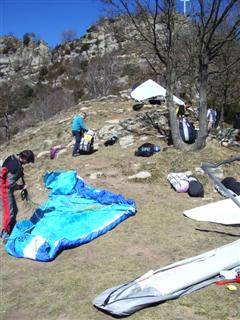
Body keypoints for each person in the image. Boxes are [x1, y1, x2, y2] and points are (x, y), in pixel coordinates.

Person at [0, 150, 35, 242]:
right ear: (23, 158)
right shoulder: (14, 166)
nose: (27, 163)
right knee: (9, 212)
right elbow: (9, 183)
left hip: (5, 187)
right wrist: (21, 187)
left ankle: (11, 227)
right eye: (27, 161)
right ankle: (5, 234)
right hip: (4, 189)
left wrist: (21, 172)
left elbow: (10, 169)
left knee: (14, 210)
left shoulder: (14, 157)